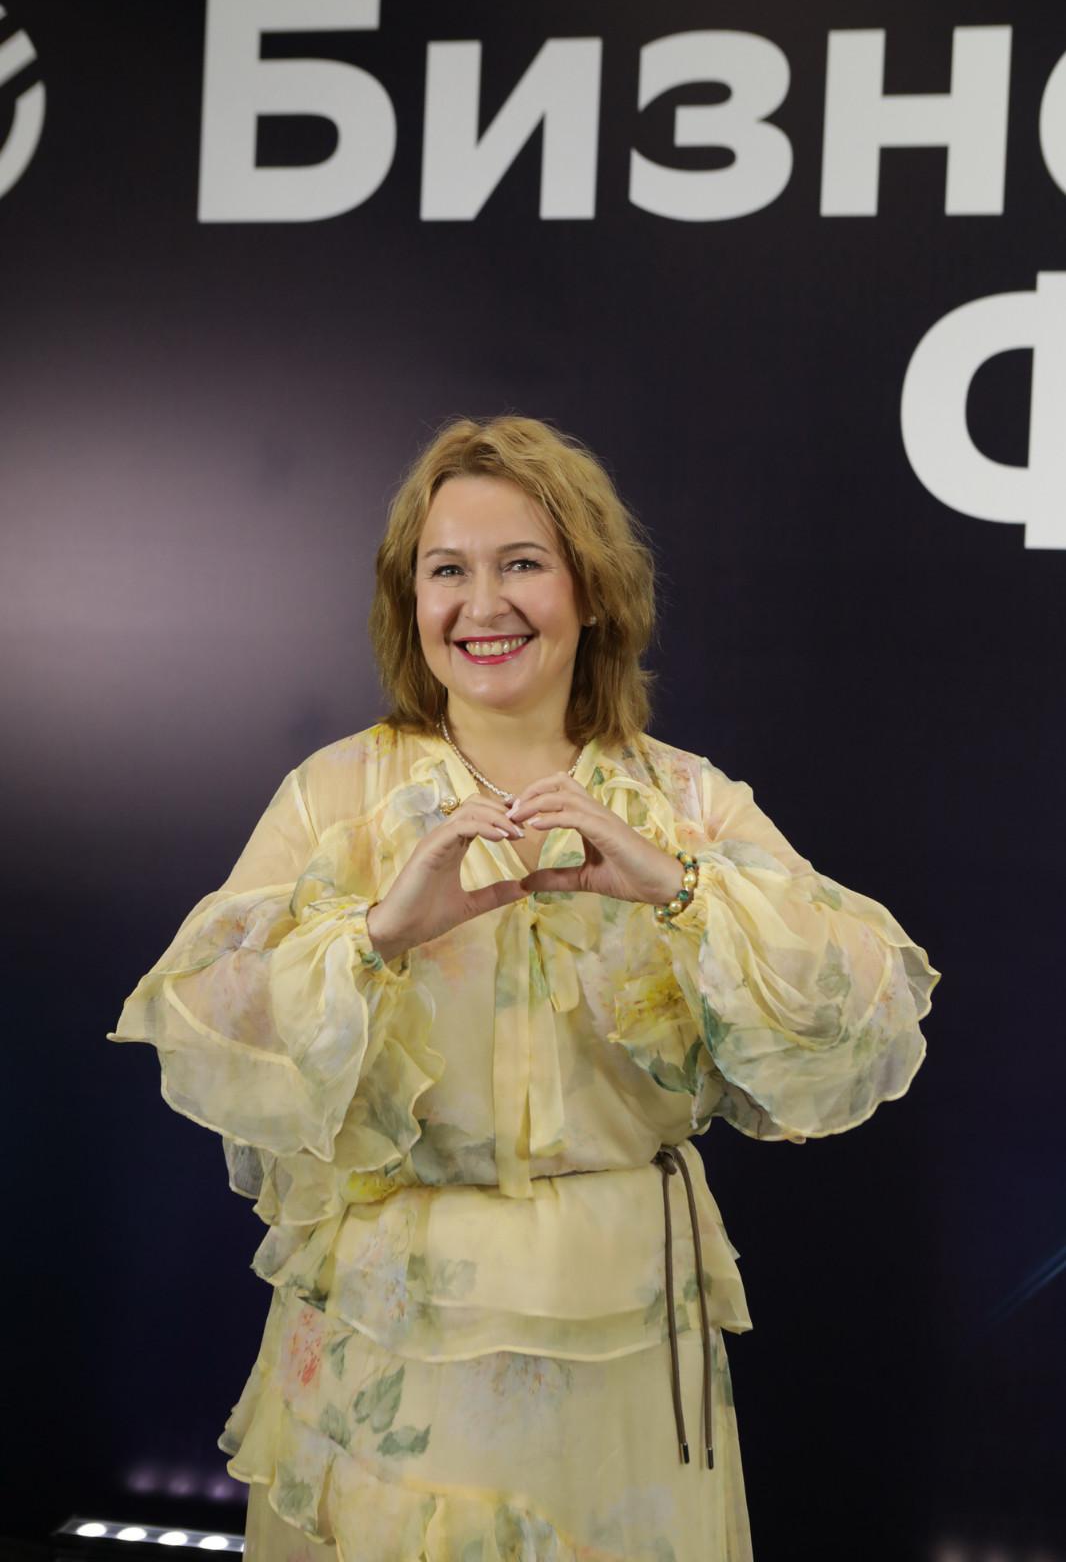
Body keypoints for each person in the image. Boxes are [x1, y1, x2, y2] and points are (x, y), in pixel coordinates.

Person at [108, 414, 941, 1561]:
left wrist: (678, 888)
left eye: (522, 564)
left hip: (624, 1332)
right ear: (410, 598)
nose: (482, 604)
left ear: (590, 590)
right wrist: (378, 934)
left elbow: (863, 1010)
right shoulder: (335, 794)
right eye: (446, 570)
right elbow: (205, 1019)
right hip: (389, 1335)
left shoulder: (685, 800)